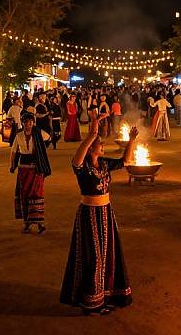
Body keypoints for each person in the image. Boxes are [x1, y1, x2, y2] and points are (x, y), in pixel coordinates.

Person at [60, 115, 136, 314]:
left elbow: (125, 161)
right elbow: (80, 152)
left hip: (105, 213)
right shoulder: (81, 167)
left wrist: (132, 141)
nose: (102, 145)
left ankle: (104, 297)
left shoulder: (103, 164)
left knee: (107, 255)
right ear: (91, 147)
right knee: (93, 257)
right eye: (99, 143)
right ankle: (91, 302)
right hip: (89, 215)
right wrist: (92, 133)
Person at [10, 112, 51, 234]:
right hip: (23, 169)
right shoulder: (18, 136)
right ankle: (26, 224)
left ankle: (40, 224)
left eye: (30, 122)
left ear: (33, 123)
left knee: (37, 194)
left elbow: (48, 137)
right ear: (22, 123)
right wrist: (12, 165)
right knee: (24, 195)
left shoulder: (38, 134)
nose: (28, 124)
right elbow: (13, 152)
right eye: (26, 122)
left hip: (36, 169)